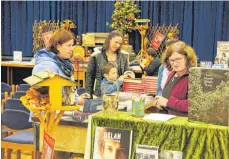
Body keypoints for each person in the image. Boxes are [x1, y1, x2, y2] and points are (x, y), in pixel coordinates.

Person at [32, 28, 84, 105]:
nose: (72, 49)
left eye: (72, 45)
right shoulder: (46, 66)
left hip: (63, 115)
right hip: (49, 116)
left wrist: (85, 101)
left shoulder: (65, 65)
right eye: (69, 45)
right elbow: (45, 101)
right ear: (58, 46)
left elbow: (71, 97)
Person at [154, 41, 197, 116]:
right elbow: (167, 99)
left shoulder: (193, 77)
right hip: (167, 119)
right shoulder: (172, 74)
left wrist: (167, 102)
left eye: (178, 59)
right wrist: (160, 103)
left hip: (182, 123)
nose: (175, 63)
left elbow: (194, 105)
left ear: (187, 58)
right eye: (172, 60)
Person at [86, 30, 129, 97]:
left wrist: (129, 75)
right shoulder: (96, 56)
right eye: (116, 42)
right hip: (100, 95)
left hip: (119, 94)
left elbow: (127, 73)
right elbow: (89, 76)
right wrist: (88, 95)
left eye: (120, 44)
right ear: (109, 40)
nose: (118, 45)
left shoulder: (124, 56)